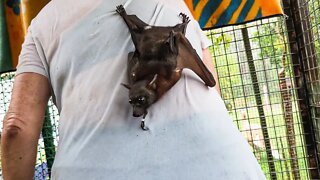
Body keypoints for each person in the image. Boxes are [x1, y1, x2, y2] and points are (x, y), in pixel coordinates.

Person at [1, 0, 266, 179]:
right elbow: (213, 90)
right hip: (222, 165)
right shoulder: (173, 2)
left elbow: (16, 127)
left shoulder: (43, 23)